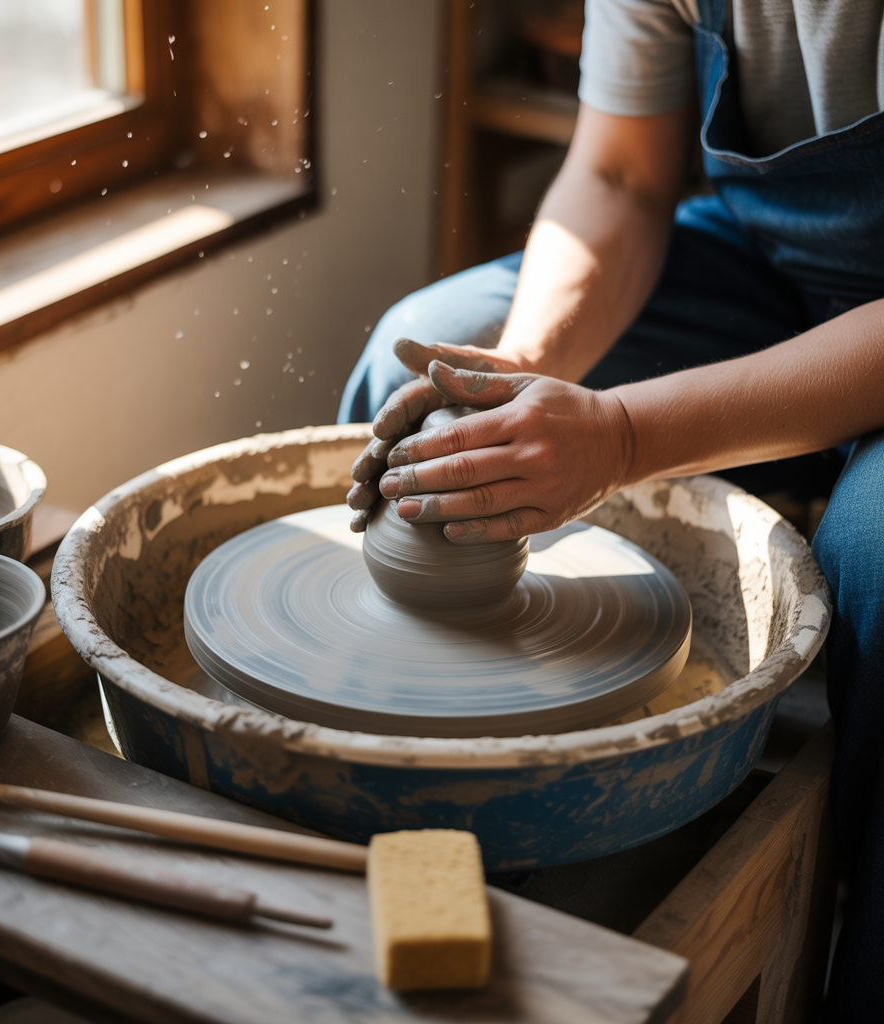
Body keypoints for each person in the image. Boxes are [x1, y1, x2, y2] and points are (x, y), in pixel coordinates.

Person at [338, 0, 884, 1018]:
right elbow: (620, 173)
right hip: (771, 265)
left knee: (880, 549)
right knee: (421, 353)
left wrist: (622, 435)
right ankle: (417, 850)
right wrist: (519, 377)